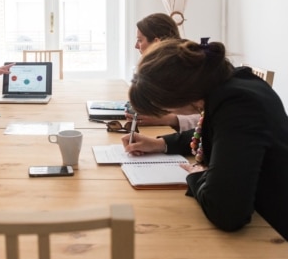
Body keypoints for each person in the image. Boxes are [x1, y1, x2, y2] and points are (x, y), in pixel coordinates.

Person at [122, 38, 288, 240]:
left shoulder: (238, 106)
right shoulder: (231, 84)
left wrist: (196, 176)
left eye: (164, 107)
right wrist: (161, 144)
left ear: (180, 96)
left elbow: (226, 213)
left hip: (274, 231)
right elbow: (217, 134)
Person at [127, 13, 200, 131]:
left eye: (140, 40)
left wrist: (168, 119)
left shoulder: (187, 70)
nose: (136, 46)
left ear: (156, 43)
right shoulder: (161, 70)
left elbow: (210, 119)